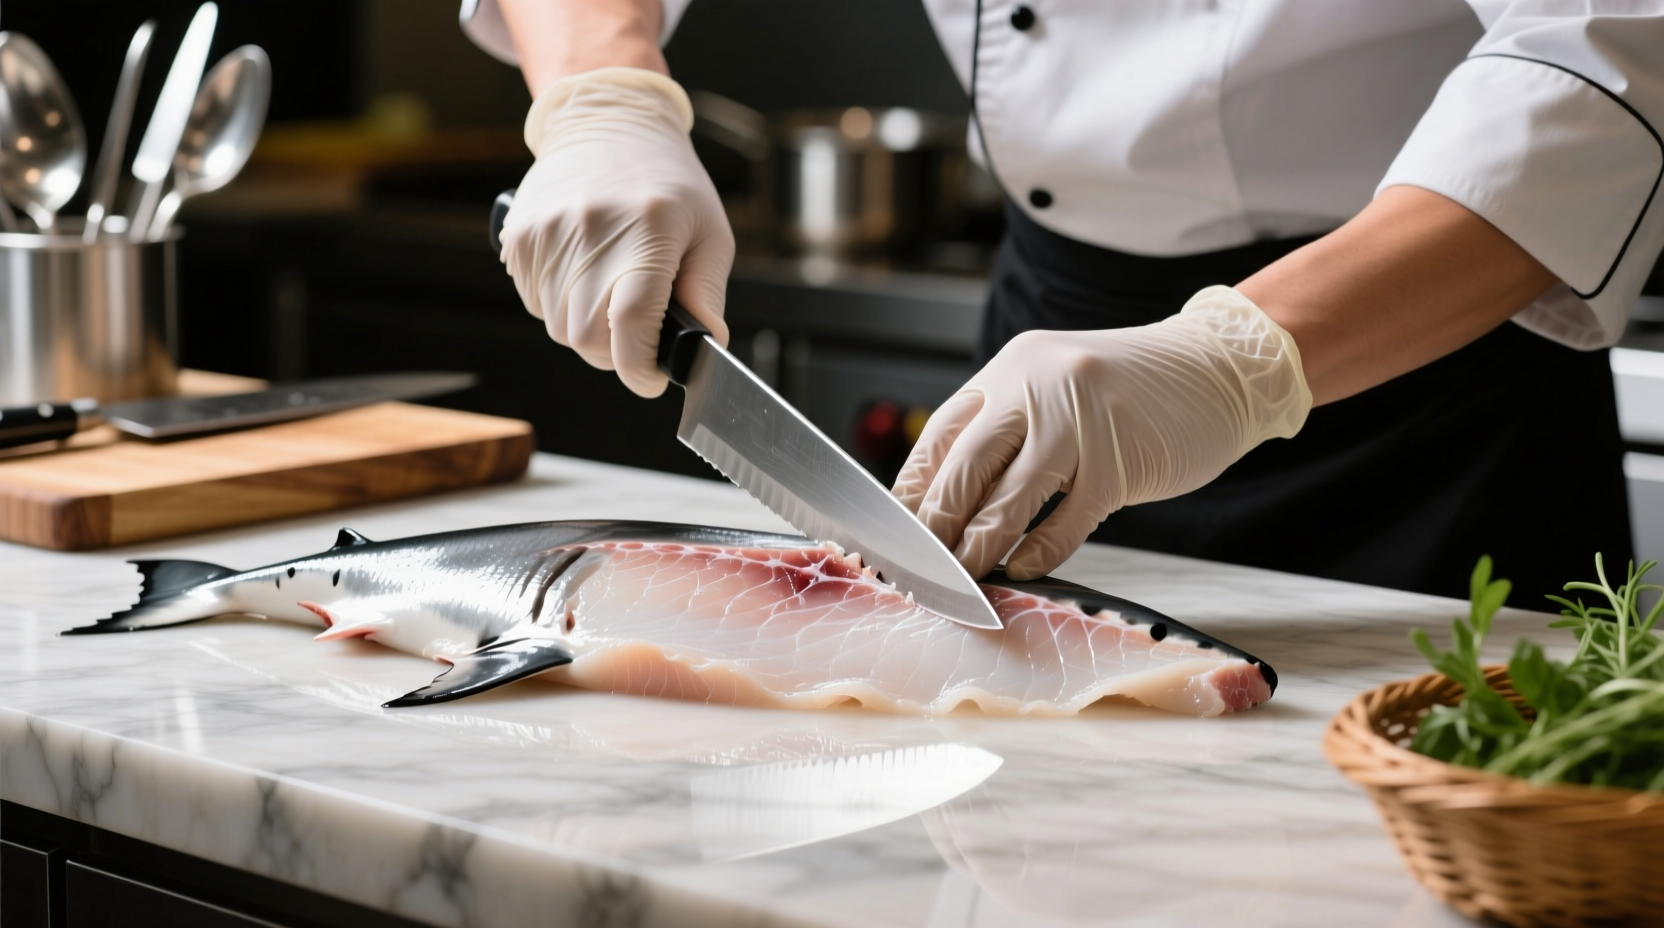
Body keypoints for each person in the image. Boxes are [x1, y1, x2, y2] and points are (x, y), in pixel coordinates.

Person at [460, 0, 1664, 605]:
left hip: (1422, 337)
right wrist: (599, 96)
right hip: (1054, 350)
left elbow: (1605, 40)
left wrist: (1236, 359)